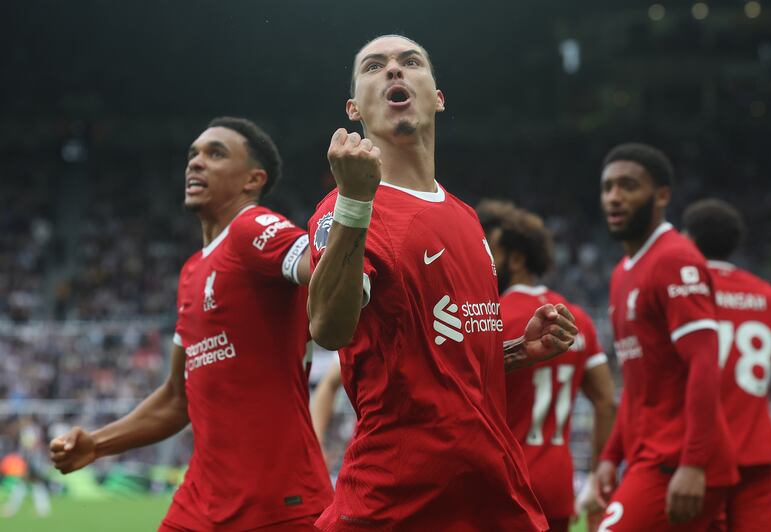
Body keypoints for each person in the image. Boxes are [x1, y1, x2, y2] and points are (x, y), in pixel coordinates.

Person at [306, 34, 579, 531]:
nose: (393, 70)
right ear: (354, 109)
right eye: (374, 67)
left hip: (492, 494)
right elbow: (328, 327)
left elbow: (441, 360)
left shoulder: (467, 218)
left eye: (410, 62)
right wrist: (354, 202)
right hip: (395, 501)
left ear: (438, 97)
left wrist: (517, 351)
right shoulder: (344, 211)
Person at [49, 117, 333, 531]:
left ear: (253, 179)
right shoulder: (191, 271)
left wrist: (353, 206)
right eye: (193, 154)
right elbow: (176, 398)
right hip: (199, 502)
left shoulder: (250, 227)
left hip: (276, 502)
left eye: (215, 154)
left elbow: (325, 270)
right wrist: (97, 444)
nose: (196, 163)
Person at [594, 143, 738, 531]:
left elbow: (706, 364)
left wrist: (692, 463)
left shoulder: (675, 259)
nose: (614, 197)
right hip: (649, 455)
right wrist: (611, 455)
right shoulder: (623, 272)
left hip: (676, 461)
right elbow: (639, 384)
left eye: (628, 186)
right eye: (607, 187)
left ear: (661, 196)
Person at [477, 200, 616, 532]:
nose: (485, 263)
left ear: (516, 258)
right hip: (557, 483)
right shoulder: (576, 318)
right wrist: (596, 475)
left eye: (491, 254)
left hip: (504, 482)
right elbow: (606, 401)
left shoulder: (490, 317)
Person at [682, 198, 771, 531]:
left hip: (697, 457)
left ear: (688, 240)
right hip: (757, 456)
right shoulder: (769, 296)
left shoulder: (682, 291)